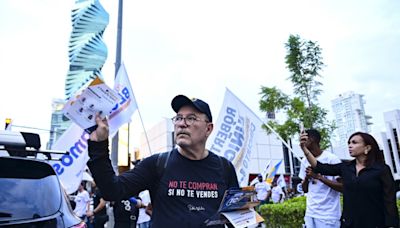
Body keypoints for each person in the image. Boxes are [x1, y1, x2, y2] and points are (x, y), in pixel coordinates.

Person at [87, 95, 239, 227]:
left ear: (208, 128)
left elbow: (237, 217)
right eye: (178, 118)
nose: (181, 123)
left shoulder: (224, 167)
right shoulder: (156, 164)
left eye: (191, 118)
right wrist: (98, 146)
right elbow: (112, 191)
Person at [300, 131, 399, 228]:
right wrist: (304, 148)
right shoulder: (346, 167)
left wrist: (391, 224)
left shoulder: (381, 169)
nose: (350, 145)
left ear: (367, 148)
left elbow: (389, 200)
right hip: (349, 223)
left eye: (354, 143)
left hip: (375, 222)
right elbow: (319, 166)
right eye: (349, 143)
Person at [298, 129, 342, 228]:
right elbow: (305, 189)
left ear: (312, 139)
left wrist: (318, 177)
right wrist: (307, 177)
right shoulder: (304, 161)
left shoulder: (331, 159)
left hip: (328, 216)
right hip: (310, 214)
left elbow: (342, 187)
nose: (301, 142)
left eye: (304, 139)